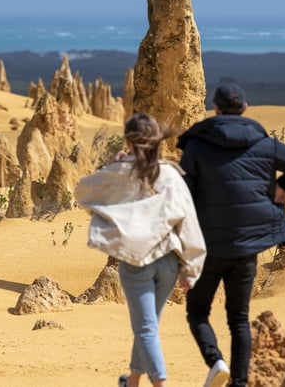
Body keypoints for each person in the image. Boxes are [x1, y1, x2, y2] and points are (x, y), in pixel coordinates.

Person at [177, 83, 285, 387]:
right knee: (238, 319)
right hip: (247, 245)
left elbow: (185, 193)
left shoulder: (198, 145)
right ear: (246, 108)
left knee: (198, 312)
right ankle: (239, 383)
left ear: (215, 109)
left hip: (209, 245)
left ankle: (216, 362)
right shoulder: (265, 145)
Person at [75, 112, 207, 387]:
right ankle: (133, 380)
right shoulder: (171, 175)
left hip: (136, 263)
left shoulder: (121, 171)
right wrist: (192, 271)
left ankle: (160, 384)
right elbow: (189, 223)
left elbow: (82, 192)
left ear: (129, 141)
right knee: (148, 326)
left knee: (145, 328)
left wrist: (112, 169)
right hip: (169, 262)